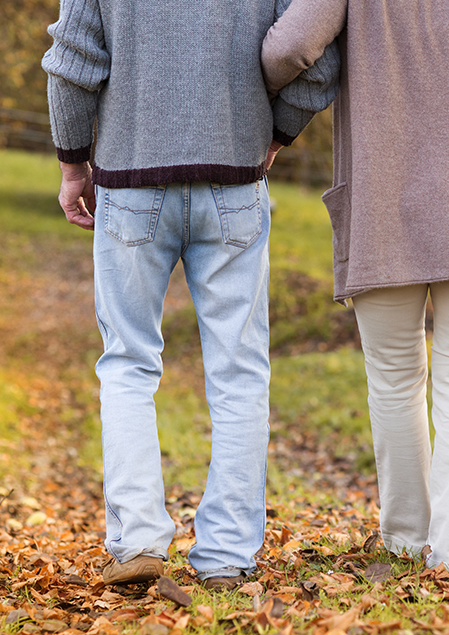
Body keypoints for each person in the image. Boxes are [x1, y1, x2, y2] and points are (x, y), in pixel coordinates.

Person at [42, 0, 339, 590]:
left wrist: (73, 164)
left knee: (127, 363)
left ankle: (137, 542)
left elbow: (73, 63)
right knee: (240, 372)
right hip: (234, 183)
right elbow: (317, 61)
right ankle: (227, 555)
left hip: (130, 184)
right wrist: (275, 132)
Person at [262, 0, 449, 568]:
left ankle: (403, 538)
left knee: (394, 381)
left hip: (382, 207)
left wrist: (271, 107)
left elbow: (287, 49)